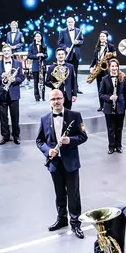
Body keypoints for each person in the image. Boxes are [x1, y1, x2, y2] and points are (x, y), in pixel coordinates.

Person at [37, 88, 87, 238]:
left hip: (70, 162)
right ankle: (62, 219)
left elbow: (83, 136)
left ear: (63, 99)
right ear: (50, 102)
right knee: (59, 194)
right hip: (55, 163)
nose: (56, 101)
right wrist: (48, 151)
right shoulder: (45, 119)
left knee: (73, 194)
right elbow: (39, 141)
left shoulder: (75, 116)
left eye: (58, 98)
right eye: (53, 99)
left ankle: (76, 222)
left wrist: (70, 140)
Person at [98, 58, 126, 153]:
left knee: (119, 128)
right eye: (112, 66)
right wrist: (109, 98)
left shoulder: (123, 78)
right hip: (109, 107)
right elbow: (101, 94)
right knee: (110, 128)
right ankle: (111, 146)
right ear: (109, 67)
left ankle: (118, 145)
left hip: (120, 106)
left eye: (116, 66)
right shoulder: (104, 79)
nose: (114, 68)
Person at [0, 51, 24, 144]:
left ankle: (16, 136)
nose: (6, 52)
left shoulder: (18, 63)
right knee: (3, 117)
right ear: (2, 52)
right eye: (4, 51)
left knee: (15, 116)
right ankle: (5, 136)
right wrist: (1, 76)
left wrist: (14, 79)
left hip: (14, 93)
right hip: (2, 93)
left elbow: (21, 77)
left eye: (8, 51)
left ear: (11, 52)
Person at [28, 32, 50, 102]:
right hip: (35, 66)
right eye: (36, 36)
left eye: (39, 36)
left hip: (42, 66)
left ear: (41, 37)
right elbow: (29, 56)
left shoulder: (44, 45)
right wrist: (36, 55)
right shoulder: (31, 46)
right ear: (34, 37)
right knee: (35, 83)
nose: (38, 38)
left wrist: (43, 55)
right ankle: (37, 97)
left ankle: (43, 96)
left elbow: (47, 55)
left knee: (42, 82)